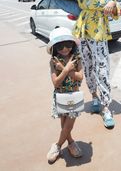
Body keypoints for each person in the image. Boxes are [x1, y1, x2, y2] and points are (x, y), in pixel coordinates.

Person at [50, 0, 120, 129]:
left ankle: (106, 108)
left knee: (102, 69)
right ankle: (94, 97)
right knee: (87, 67)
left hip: (100, 35)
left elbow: (116, 14)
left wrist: (113, 3)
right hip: (82, 34)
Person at [46, 27, 83, 163]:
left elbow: (79, 77)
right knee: (64, 123)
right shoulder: (53, 61)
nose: (65, 48)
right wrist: (66, 69)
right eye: (60, 46)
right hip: (60, 95)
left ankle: (57, 145)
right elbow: (55, 83)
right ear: (55, 47)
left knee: (69, 125)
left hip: (74, 96)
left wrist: (64, 69)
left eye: (68, 44)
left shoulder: (77, 58)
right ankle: (71, 142)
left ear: (72, 44)